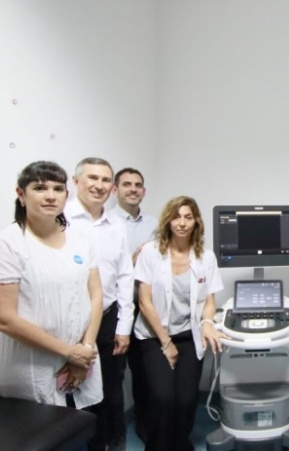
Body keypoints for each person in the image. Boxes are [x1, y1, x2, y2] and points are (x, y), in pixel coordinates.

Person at [0, 161, 102, 409]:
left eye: (58, 189)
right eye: (39, 188)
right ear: (21, 194)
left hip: (82, 357)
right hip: (32, 363)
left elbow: (96, 295)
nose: (50, 196)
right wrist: (68, 352)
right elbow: (5, 318)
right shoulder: (9, 243)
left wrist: (84, 350)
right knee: (38, 426)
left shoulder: (80, 238)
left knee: (82, 423)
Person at [134, 196, 227, 451]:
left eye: (188, 217)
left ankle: (180, 445)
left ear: (196, 221)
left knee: (186, 400)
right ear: (168, 221)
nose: (182, 223)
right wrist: (166, 343)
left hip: (189, 336)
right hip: (154, 337)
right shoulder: (151, 253)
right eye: (177, 217)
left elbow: (209, 301)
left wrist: (207, 322)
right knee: (163, 397)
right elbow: (144, 302)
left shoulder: (205, 257)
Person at [64, 157, 134, 451]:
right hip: (69, 321)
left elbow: (125, 276)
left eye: (105, 180)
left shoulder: (117, 224)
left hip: (107, 317)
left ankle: (111, 442)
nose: (99, 185)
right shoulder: (61, 219)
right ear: (76, 181)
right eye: (92, 178)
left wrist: (124, 327)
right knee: (73, 389)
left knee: (111, 388)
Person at [110, 167, 158, 441]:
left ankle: (146, 426)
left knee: (145, 371)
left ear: (144, 191)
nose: (133, 189)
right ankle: (114, 435)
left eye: (137, 185)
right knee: (114, 373)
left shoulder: (154, 224)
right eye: (127, 184)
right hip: (117, 307)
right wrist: (133, 259)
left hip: (147, 304)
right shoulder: (107, 223)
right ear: (115, 190)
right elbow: (104, 270)